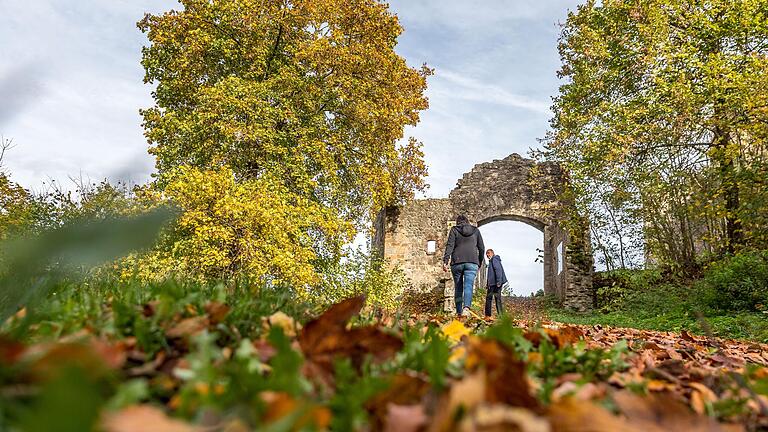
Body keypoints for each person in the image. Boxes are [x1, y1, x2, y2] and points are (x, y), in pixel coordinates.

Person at [443, 215, 485, 317]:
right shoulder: (476, 231)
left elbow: (450, 245)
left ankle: (458, 312)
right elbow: (481, 247)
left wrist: (445, 261)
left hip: (457, 262)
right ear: (467, 221)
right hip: (472, 262)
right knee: (468, 286)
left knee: (458, 287)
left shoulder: (454, 230)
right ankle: (466, 308)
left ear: (458, 222)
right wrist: (479, 261)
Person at [484, 249, 508, 318]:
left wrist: (499, 282)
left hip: (496, 283)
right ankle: (491, 315)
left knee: (494, 299)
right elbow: (491, 274)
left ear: (492, 253)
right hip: (492, 283)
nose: (487, 255)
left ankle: (491, 315)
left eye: (488, 253)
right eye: (486, 254)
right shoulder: (492, 261)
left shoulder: (494, 259)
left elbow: (498, 270)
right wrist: (488, 284)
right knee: (491, 298)